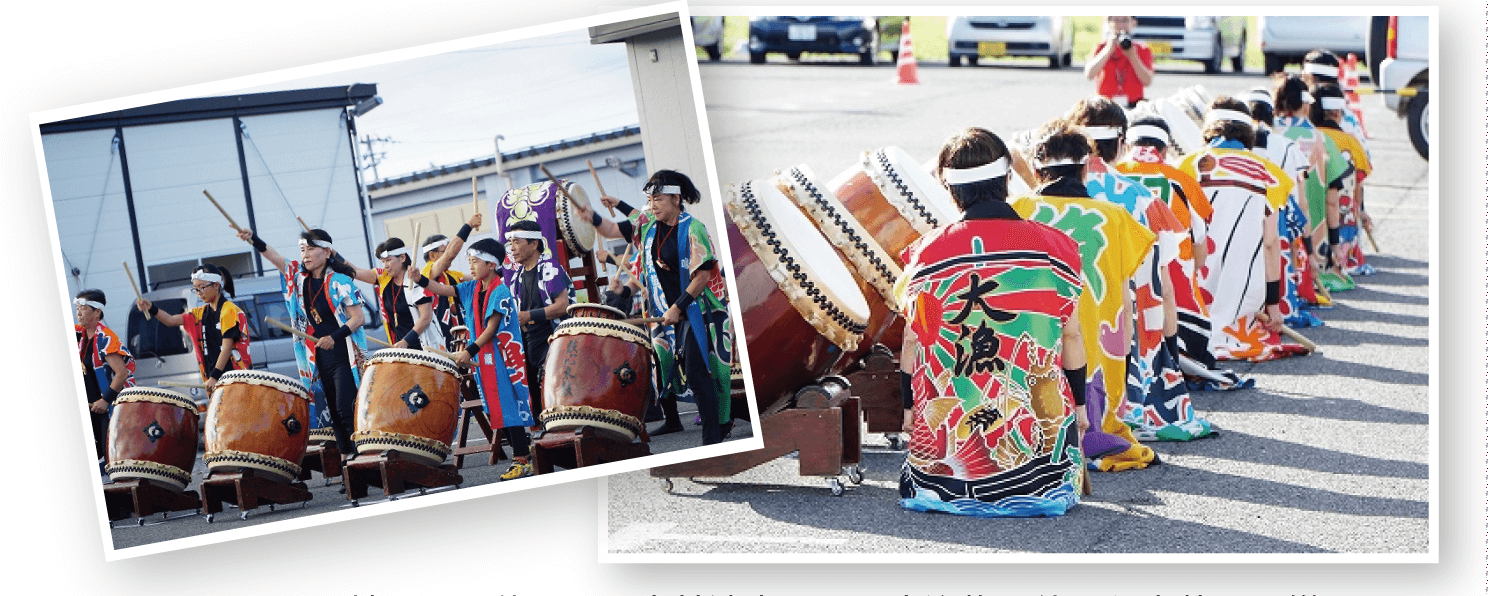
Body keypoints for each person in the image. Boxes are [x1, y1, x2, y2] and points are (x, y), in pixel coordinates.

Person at [894, 127, 1088, 517]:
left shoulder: (926, 254)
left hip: (943, 464)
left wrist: (909, 409)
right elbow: (1071, 335)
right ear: (1007, 179)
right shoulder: (1057, 247)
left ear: (951, 191)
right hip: (1041, 465)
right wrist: (1080, 408)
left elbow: (914, 341)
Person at [1010, 122, 1157, 473]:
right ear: (1088, 167)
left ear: (1035, 169)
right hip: (1098, 330)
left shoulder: (1019, 210)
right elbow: (1124, 290)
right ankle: (1095, 435)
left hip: (1032, 329)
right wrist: (1128, 340)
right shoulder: (1116, 217)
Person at [586, 170, 734, 445]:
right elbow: (613, 233)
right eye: (649, 199)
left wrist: (678, 307)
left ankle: (713, 436)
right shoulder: (647, 229)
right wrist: (590, 215)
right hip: (661, 310)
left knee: (698, 371)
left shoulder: (693, 228)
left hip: (695, 310)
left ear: (676, 199)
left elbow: (702, 276)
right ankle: (676, 420)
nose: (652, 205)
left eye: (658, 199)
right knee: (663, 365)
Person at [1179, 98, 1305, 363]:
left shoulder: (1185, 167)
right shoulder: (1270, 174)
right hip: (1244, 290)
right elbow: (1271, 243)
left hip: (1191, 291)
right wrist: (1273, 305)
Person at [236, 226, 368, 459]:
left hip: (343, 354)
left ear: (327, 252)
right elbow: (275, 258)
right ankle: (348, 461)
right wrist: (253, 239)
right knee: (333, 413)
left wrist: (333, 337)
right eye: (302, 250)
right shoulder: (299, 280)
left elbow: (358, 318)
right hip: (318, 356)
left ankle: (363, 456)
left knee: (344, 408)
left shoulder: (340, 281)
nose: (305, 255)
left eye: (310, 249)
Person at [422, 236, 536, 480]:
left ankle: (522, 459)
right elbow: (441, 289)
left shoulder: (500, 291)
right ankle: (525, 449)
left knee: (508, 406)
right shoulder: (472, 288)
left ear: (492, 264)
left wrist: (469, 351)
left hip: (502, 358)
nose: (471, 267)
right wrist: (419, 278)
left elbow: (492, 328)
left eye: (475, 261)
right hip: (485, 359)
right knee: (497, 407)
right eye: (470, 261)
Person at [1245, 87, 1325, 330]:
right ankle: (1282, 306)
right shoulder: (1287, 146)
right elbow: (1302, 202)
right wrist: (1310, 251)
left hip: (1244, 217)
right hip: (1283, 220)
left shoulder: (1237, 148)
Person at [1271, 75, 1350, 298]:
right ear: (1306, 104)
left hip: (1277, 243)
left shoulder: (1272, 138)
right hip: (1314, 245)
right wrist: (1335, 245)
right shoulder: (1322, 140)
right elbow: (1333, 199)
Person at [135, 263, 251, 393]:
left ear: (216, 285)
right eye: (196, 289)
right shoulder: (199, 314)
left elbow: (226, 348)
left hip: (235, 380)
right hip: (216, 382)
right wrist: (150, 307)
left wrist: (214, 377)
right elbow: (170, 320)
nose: (199, 293)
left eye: (202, 287)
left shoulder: (229, 310)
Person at [503, 219, 573, 423]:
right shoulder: (516, 277)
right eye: (510, 243)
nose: (512, 248)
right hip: (529, 340)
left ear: (534, 244)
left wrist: (529, 316)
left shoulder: (550, 268)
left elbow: (563, 306)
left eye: (517, 242)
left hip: (555, 337)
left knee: (553, 393)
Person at [326, 234, 449, 351]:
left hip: (426, 346)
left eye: (388, 260)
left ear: (402, 258)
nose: (385, 265)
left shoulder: (416, 280)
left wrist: (406, 341)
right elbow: (354, 271)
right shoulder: (383, 278)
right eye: (383, 261)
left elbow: (426, 317)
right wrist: (331, 252)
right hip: (400, 348)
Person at [1310, 83, 1374, 286]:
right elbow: (1359, 181)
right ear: (1338, 112)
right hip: (1344, 213)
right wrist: (1361, 210)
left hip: (1312, 218)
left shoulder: (1308, 139)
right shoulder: (1351, 142)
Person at [75, 289, 136, 470]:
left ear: (97, 312)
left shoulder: (106, 338)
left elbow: (121, 373)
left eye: (83, 308)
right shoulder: (81, 335)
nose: (78, 312)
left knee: (110, 453)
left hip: (109, 406)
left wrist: (105, 400)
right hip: (91, 405)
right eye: (77, 308)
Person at [1084, 15, 1154, 108]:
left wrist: (1133, 56)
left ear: (1133, 23)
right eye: (1116, 20)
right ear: (1109, 23)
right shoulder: (1101, 47)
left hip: (1133, 105)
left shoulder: (1142, 49)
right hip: (1105, 106)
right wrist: (1108, 50)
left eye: (1125, 20)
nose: (1121, 25)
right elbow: (1089, 74)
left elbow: (1147, 81)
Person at [419, 234, 469, 351]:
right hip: (441, 333)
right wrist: (468, 227)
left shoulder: (451, 275)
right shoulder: (428, 271)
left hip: (457, 330)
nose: (451, 255)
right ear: (432, 254)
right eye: (444, 252)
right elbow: (447, 258)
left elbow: (475, 278)